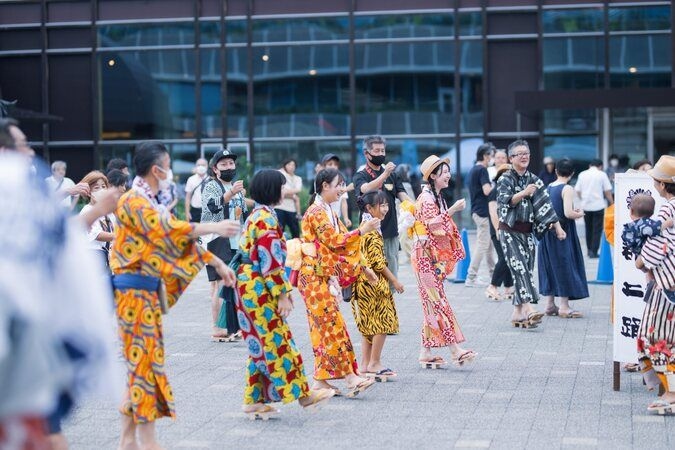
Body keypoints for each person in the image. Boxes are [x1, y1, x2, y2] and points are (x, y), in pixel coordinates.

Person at [0, 118, 121, 450]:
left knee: (45, 434)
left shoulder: (23, 192)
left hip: (23, 349)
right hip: (15, 347)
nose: (29, 152)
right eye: (22, 145)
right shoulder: (13, 192)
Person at [110, 141, 239, 450]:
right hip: (133, 296)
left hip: (144, 296)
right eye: (168, 165)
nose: (170, 171)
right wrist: (214, 225)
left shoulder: (149, 199)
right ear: (157, 170)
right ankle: (148, 443)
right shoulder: (134, 202)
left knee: (143, 365)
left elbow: (177, 238)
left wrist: (218, 262)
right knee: (145, 366)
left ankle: (128, 442)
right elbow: (167, 229)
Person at [234, 169, 334, 418]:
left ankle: (253, 400)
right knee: (278, 340)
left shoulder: (257, 214)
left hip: (249, 285)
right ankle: (304, 395)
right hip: (260, 287)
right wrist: (281, 294)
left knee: (262, 341)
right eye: (281, 187)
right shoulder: (266, 219)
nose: (285, 191)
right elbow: (270, 261)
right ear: (271, 189)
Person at [299, 168, 380, 397]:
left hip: (321, 275)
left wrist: (365, 268)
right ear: (325, 185)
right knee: (332, 327)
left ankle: (321, 381)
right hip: (313, 277)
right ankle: (350, 377)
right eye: (338, 184)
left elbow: (343, 239)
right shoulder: (316, 212)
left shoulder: (327, 211)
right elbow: (335, 242)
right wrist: (362, 231)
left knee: (325, 329)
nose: (341, 189)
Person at [497, 140, 566, 329]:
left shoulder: (535, 179)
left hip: (527, 233)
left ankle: (517, 314)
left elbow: (546, 207)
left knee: (526, 269)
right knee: (519, 268)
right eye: (519, 154)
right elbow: (504, 200)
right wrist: (523, 193)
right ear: (511, 158)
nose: (524, 156)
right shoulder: (505, 178)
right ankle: (529, 308)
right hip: (509, 231)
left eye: (526, 153)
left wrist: (558, 229)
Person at [413, 155, 476, 366]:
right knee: (438, 302)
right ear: (432, 176)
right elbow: (432, 225)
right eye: (444, 172)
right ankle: (455, 350)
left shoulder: (436, 197)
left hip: (430, 257)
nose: (449, 175)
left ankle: (425, 352)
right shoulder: (427, 199)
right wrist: (452, 211)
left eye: (448, 171)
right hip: (425, 258)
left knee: (432, 303)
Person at [634, 155, 675, 414]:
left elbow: (658, 245)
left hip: (666, 285)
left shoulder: (666, 209)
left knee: (658, 338)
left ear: (662, 184)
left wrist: (640, 261)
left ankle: (671, 392)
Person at [352, 191, 403, 378]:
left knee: (368, 325)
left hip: (363, 283)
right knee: (383, 323)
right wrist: (395, 281)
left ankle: (365, 364)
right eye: (381, 206)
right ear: (369, 208)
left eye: (387, 205)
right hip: (374, 282)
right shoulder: (372, 231)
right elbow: (378, 264)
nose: (386, 209)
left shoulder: (365, 226)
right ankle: (375, 362)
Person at [201, 150, 247, 342]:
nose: (229, 167)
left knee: (233, 283)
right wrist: (231, 193)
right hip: (217, 238)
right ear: (215, 169)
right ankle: (218, 328)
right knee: (220, 284)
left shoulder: (236, 188)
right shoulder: (211, 186)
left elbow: (242, 214)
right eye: (224, 164)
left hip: (236, 240)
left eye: (231, 163)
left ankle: (232, 326)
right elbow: (212, 207)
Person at [353, 135, 412, 280]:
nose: (381, 154)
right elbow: (365, 189)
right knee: (372, 277)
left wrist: (415, 207)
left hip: (390, 232)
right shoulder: (360, 175)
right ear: (367, 153)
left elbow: (402, 194)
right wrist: (385, 174)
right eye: (377, 151)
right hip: (370, 234)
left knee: (392, 272)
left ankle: (390, 300)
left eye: (383, 151)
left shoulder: (393, 175)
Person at [537, 158, 589, 318]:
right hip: (563, 232)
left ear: (556, 171)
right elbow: (567, 213)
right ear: (572, 173)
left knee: (550, 266)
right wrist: (579, 213)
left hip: (547, 232)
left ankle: (550, 304)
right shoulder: (567, 188)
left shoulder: (549, 186)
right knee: (564, 265)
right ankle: (564, 306)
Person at [465, 143, 496, 287]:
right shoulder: (482, 170)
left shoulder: (473, 170)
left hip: (477, 211)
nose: (492, 159)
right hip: (483, 212)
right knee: (483, 244)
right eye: (491, 155)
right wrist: (498, 187)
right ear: (485, 156)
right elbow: (487, 191)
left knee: (488, 245)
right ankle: (471, 277)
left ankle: (494, 275)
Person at [485, 164, 514, 302]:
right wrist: (498, 229)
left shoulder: (506, 191)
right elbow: (493, 212)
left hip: (507, 229)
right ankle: (492, 286)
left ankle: (508, 288)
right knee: (504, 257)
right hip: (498, 230)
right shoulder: (494, 191)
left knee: (508, 257)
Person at [575, 158, 613, 258]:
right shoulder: (602, 174)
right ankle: (594, 252)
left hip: (586, 205)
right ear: (600, 166)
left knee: (588, 228)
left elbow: (577, 190)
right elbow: (607, 191)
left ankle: (589, 250)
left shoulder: (582, 174)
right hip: (598, 205)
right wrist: (612, 202)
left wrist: (582, 199)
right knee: (597, 229)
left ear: (590, 165)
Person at [78, 171, 115, 270]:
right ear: (89, 192)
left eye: (103, 186)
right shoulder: (87, 211)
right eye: (96, 188)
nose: (101, 190)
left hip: (109, 261)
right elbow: (97, 235)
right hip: (94, 260)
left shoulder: (110, 213)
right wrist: (121, 235)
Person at [322, 153, 353, 228]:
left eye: (335, 165)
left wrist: (346, 218)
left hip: (336, 218)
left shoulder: (341, 180)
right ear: (324, 166)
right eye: (330, 164)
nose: (333, 166)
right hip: (322, 218)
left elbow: (343, 201)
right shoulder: (320, 180)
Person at [276, 158, 303, 238]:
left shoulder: (298, 178)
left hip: (292, 209)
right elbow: (278, 189)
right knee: (279, 232)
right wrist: (293, 195)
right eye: (289, 164)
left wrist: (284, 192)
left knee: (296, 232)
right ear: (285, 165)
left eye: (293, 165)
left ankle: (296, 249)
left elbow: (298, 189)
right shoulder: (280, 173)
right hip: (279, 207)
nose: (291, 167)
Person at [184, 158, 209, 223]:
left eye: (203, 165)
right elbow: (188, 197)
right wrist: (187, 212)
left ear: (207, 166)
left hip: (208, 211)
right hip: (194, 211)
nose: (201, 167)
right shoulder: (191, 179)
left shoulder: (211, 179)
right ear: (196, 166)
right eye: (199, 165)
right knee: (193, 231)